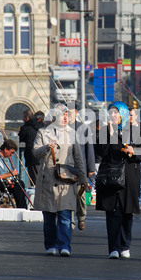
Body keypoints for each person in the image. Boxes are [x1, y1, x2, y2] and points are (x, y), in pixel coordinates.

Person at [95, 101, 141, 259]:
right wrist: (110, 134)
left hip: (129, 175)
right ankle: (113, 247)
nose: (113, 115)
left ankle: (125, 245)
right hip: (110, 176)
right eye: (111, 112)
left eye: (116, 112)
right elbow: (101, 151)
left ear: (123, 114)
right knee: (112, 212)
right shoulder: (106, 130)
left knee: (127, 212)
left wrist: (133, 151)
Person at [32, 103, 88, 257]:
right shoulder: (43, 132)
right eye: (62, 115)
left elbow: (79, 158)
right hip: (47, 180)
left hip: (66, 180)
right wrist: (45, 148)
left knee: (65, 215)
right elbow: (35, 152)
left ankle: (65, 246)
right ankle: (51, 245)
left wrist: (83, 179)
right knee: (49, 216)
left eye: (66, 115)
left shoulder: (73, 134)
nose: (65, 117)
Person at [67, 103, 95, 231]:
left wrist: (90, 168)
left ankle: (81, 217)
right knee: (67, 196)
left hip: (80, 167)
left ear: (76, 112)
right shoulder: (62, 128)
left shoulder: (84, 128)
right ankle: (70, 221)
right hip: (66, 168)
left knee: (80, 195)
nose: (68, 115)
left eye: (70, 112)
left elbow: (90, 149)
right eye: (66, 112)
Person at [0, 139, 27, 209]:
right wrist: (11, 173)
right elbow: (0, 176)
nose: (12, 155)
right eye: (11, 152)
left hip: (6, 181)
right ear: (6, 149)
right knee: (18, 186)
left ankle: (22, 206)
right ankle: (21, 207)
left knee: (20, 183)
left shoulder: (5, 158)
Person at [18, 110, 44, 187]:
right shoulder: (42, 127)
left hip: (31, 157)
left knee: (34, 181)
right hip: (42, 156)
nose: (22, 119)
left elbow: (20, 138)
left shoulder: (26, 128)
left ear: (28, 118)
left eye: (23, 117)